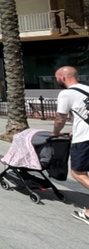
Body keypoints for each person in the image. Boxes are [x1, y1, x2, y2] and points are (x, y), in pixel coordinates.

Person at [52, 66, 89, 225]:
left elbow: (60, 118)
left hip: (84, 139)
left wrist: (55, 133)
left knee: (78, 173)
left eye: (56, 77)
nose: (56, 80)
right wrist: (75, 128)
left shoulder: (66, 93)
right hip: (83, 133)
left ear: (62, 77)